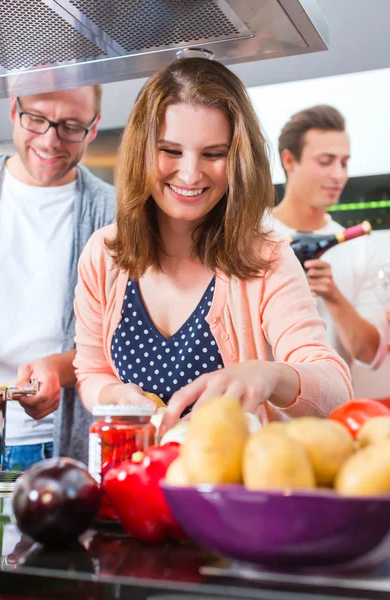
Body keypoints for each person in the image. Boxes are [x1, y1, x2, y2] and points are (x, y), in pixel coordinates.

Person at [73, 57, 352, 436]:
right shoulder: (102, 254)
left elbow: (335, 389)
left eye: (213, 154)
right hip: (127, 483)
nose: (190, 173)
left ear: (238, 159)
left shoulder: (266, 257)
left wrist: (269, 374)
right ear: (141, 150)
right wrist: (113, 395)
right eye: (170, 151)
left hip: (223, 489)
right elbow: (91, 371)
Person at [0, 86, 115, 470]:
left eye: (71, 126)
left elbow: (115, 342)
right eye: (37, 119)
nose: (50, 140)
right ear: (14, 109)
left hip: (56, 447)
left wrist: (58, 370)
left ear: (93, 128)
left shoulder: (113, 216)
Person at [271, 105, 388, 379]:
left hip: (334, 419)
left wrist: (333, 295)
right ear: (289, 161)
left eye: (344, 163)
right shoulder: (249, 238)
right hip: (257, 417)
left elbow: (371, 355)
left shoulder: (361, 249)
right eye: (326, 161)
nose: (339, 175)